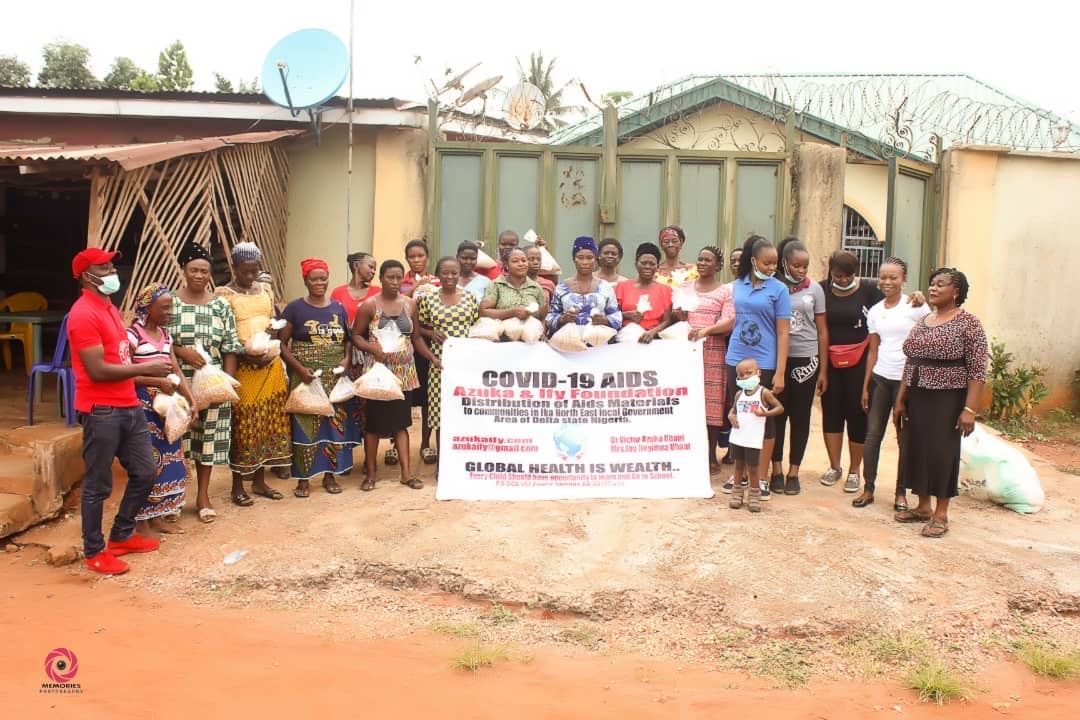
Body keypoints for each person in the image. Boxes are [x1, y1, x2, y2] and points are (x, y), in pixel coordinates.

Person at [68, 248, 171, 575]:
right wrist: (149, 369)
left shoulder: (108, 307)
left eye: (112, 265)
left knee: (144, 471)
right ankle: (94, 552)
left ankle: (122, 534)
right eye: (105, 266)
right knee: (98, 485)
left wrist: (144, 376)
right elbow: (98, 370)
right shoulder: (83, 313)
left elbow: (120, 359)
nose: (113, 270)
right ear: (88, 276)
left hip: (127, 404)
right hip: (102, 409)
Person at [894, 268, 987, 538]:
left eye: (941, 284)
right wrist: (901, 398)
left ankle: (941, 513)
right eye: (932, 284)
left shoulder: (968, 323)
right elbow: (911, 360)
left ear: (956, 291)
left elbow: (978, 370)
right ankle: (923, 507)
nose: (933, 288)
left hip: (947, 396)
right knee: (917, 448)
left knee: (941, 453)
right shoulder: (925, 320)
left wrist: (969, 409)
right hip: (917, 394)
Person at [170, 242, 242, 524]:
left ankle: (203, 497)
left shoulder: (220, 305)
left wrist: (226, 382)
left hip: (211, 383)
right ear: (184, 271)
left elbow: (230, 346)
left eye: (204, 271)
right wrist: (181, 351)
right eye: (193, 270)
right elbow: (158, 340)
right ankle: (175, 496)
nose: (199, 275)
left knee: (207, 440)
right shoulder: (170, 302)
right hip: (176, 382)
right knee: (177, 438)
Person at [215, 242, 290, 504]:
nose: (249, 277)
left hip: (269, 365)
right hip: (243, 365)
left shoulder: (265, 290)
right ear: (234, 268)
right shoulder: (224, 295)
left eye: (254, 271)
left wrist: (271, 338)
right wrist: (248, 354)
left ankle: (259, 481)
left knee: (267, 422)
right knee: (245, 423)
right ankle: (238, 484)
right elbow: (225, 332)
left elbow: (272, 321)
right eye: (244, 272)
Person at [279, 258, 361, 497]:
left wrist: (346, 360)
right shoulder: (294, 308)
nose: (319, 283)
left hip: (334, 376)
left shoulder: (337, 307)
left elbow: (347, 340)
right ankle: (303, 479)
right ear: (305, 280)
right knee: (306, 425)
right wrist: (299, 369)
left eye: (323, 278)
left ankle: (330, 476)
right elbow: (282, 344)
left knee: (333, 426)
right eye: (313, 279)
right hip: (306, 376)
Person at [854, 257, 930, 510]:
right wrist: (866, 386)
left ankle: (901, 492)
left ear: (904, 279)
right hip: (880, 379)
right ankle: (868, 488)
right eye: (883, 277)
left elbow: (929, 336)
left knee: (904, 438)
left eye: (893, 277)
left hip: (906, 382)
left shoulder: (916, 306)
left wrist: (921, 297)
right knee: (873, 435)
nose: (887, 282)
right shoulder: (875, 311)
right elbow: (873, 351)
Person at [724, 235, 790, 501]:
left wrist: (781, 371)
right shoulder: (736, 286)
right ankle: (739, 476)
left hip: (765, 361)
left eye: (774, 263)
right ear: (753, 261)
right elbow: (730, 320)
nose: (771, 267)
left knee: (764, 418)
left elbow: (784, 332)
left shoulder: (779, 290)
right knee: (740, 415)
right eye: (766, 262)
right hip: (736, 358)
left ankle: (760, 478)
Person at [128, 284, 195, 537]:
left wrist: (191, 400)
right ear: (147, 308)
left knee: (169, 459)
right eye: (164, 307)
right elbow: (125, 375)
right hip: (143, 407)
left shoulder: (166, 336)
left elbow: (176, 369)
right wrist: (155, 382)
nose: (170, 311)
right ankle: (140, 520)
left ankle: (157, 517)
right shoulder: (132, 335)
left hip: (168, 407)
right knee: (147, 462)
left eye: (171, 306)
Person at [352, 260, 423, 491]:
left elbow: (417, 337)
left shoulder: (410, 304)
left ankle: (406, 473)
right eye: (390, 277)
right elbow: (356, 336)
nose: (394, 282)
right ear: (381, 279)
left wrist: (432, 358)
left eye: (398, 278)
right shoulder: (369, 306)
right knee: (373, 425)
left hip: (404, 372)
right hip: (378, 373)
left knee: (401, 424)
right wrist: (372, 349)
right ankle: (371, 474)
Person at [768, 237, 828, 496]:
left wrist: (823, 369)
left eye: (805, 266)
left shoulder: (814, 289)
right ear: (784, 263)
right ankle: (777, 470)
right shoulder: (774, 288)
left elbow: (823, 332)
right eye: (796, 266)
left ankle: (794, 471)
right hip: (779, 359)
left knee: (801, 417)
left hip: (807, 360)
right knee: (777, 414)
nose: (801, 271)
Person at [415, 257, 480, 455]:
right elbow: (419, 328)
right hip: (439, 364)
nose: (450, 277)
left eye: (454, 273)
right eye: (445, 273)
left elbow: (477, 326)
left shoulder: (470, 297)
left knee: (463, 410)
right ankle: (443, 463)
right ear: (438, 275)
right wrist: (430, 333)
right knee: (440, 412)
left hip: (466, 363)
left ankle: (460, 459)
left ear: (459, 274)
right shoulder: (429, 299)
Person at [677, 247, 735, 468]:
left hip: (713, 351)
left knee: (712, 404)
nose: (701, 263)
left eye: (707, 260)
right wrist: (679, 316)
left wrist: (705, 331)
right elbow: (675, 316)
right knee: (687, 401)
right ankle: (688, 452)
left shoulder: (725, 292)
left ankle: (710, 455)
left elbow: (729, 322)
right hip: (686, 352)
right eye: (699, 259)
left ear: (718, 266)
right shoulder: (684, 288)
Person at [727, 358, 784, 513]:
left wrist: (766, 413)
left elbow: (779, 408)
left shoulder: (764, 393)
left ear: (759, 373)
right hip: (738, 436)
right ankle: (737, 493)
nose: (745, 377)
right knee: (738, 466)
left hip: (753, 438)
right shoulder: (739, 394)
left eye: (749, 373)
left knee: (753, 468)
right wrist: (731, 416)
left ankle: (754, 495)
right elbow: (733, 411)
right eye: (741, 374)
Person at [399, 239, 437, 465]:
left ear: (427, 257)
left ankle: (425, 444)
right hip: (403, 347)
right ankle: (396, 444)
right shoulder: (399, 280)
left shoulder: (437, 281)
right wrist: (416, 286)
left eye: (420, 256)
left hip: (426, 345)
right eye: (412, 257)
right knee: (402, 397)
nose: (416, 260)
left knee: (426, 398)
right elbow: (400, 305)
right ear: (407, 259)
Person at [546, 236, 622, 334]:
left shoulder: (605, 287)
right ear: (574, 259)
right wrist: (562, 319)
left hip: (598, 343)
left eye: (589, 258)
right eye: (580, 258)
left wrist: (604, 320)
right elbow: (550, 317)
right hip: (569, 342)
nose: (585, 262)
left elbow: (617, 317)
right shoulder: (562, 287)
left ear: (595, 259)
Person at [613, 242, 673, 339]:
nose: (647, 266)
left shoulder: (666, 290)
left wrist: (652, 332)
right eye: (643, 263)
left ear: (657, 266)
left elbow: (667, 321)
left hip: (654, 338)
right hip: (626, 338)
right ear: (636, 264)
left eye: (652, 264)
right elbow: (613, 315)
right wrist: (627, 315)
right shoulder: (622, 287)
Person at [480, 247, 549, 326]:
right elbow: (483, 312)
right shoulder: (497, 285)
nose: (521, 264)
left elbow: (542, 317)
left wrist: (541, 333)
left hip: (530, 336)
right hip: (501, 334)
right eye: (515, 261)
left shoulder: (536, 287)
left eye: (524, 260)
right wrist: (512, 312)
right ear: (506, 265)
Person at [331, 251, 380, 328]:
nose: (373, 272)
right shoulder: (338, 292)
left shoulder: (377, 292)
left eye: (374, 269)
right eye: (370, 267)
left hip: (368, 339)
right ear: (356, 265)